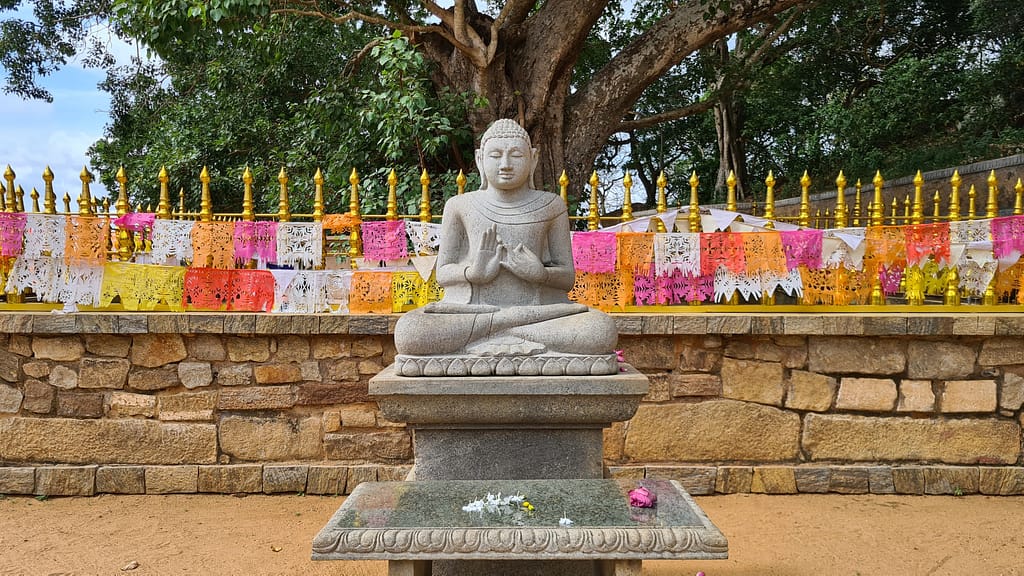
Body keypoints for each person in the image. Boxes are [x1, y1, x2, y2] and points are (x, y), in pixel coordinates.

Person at [393, 119, 617, 359]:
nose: (506, 165)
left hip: (539, 312)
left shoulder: (552, 206)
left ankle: (499, 328)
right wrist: (474, 273)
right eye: (496, 155)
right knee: (410, 332)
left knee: (599, 330)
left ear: (532, 159)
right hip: (473, 313)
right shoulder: (459, 206)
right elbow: (444, 273)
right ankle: (508, 326)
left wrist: (540, 274)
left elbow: (567, 279)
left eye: (516, 155)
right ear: (480, 159)